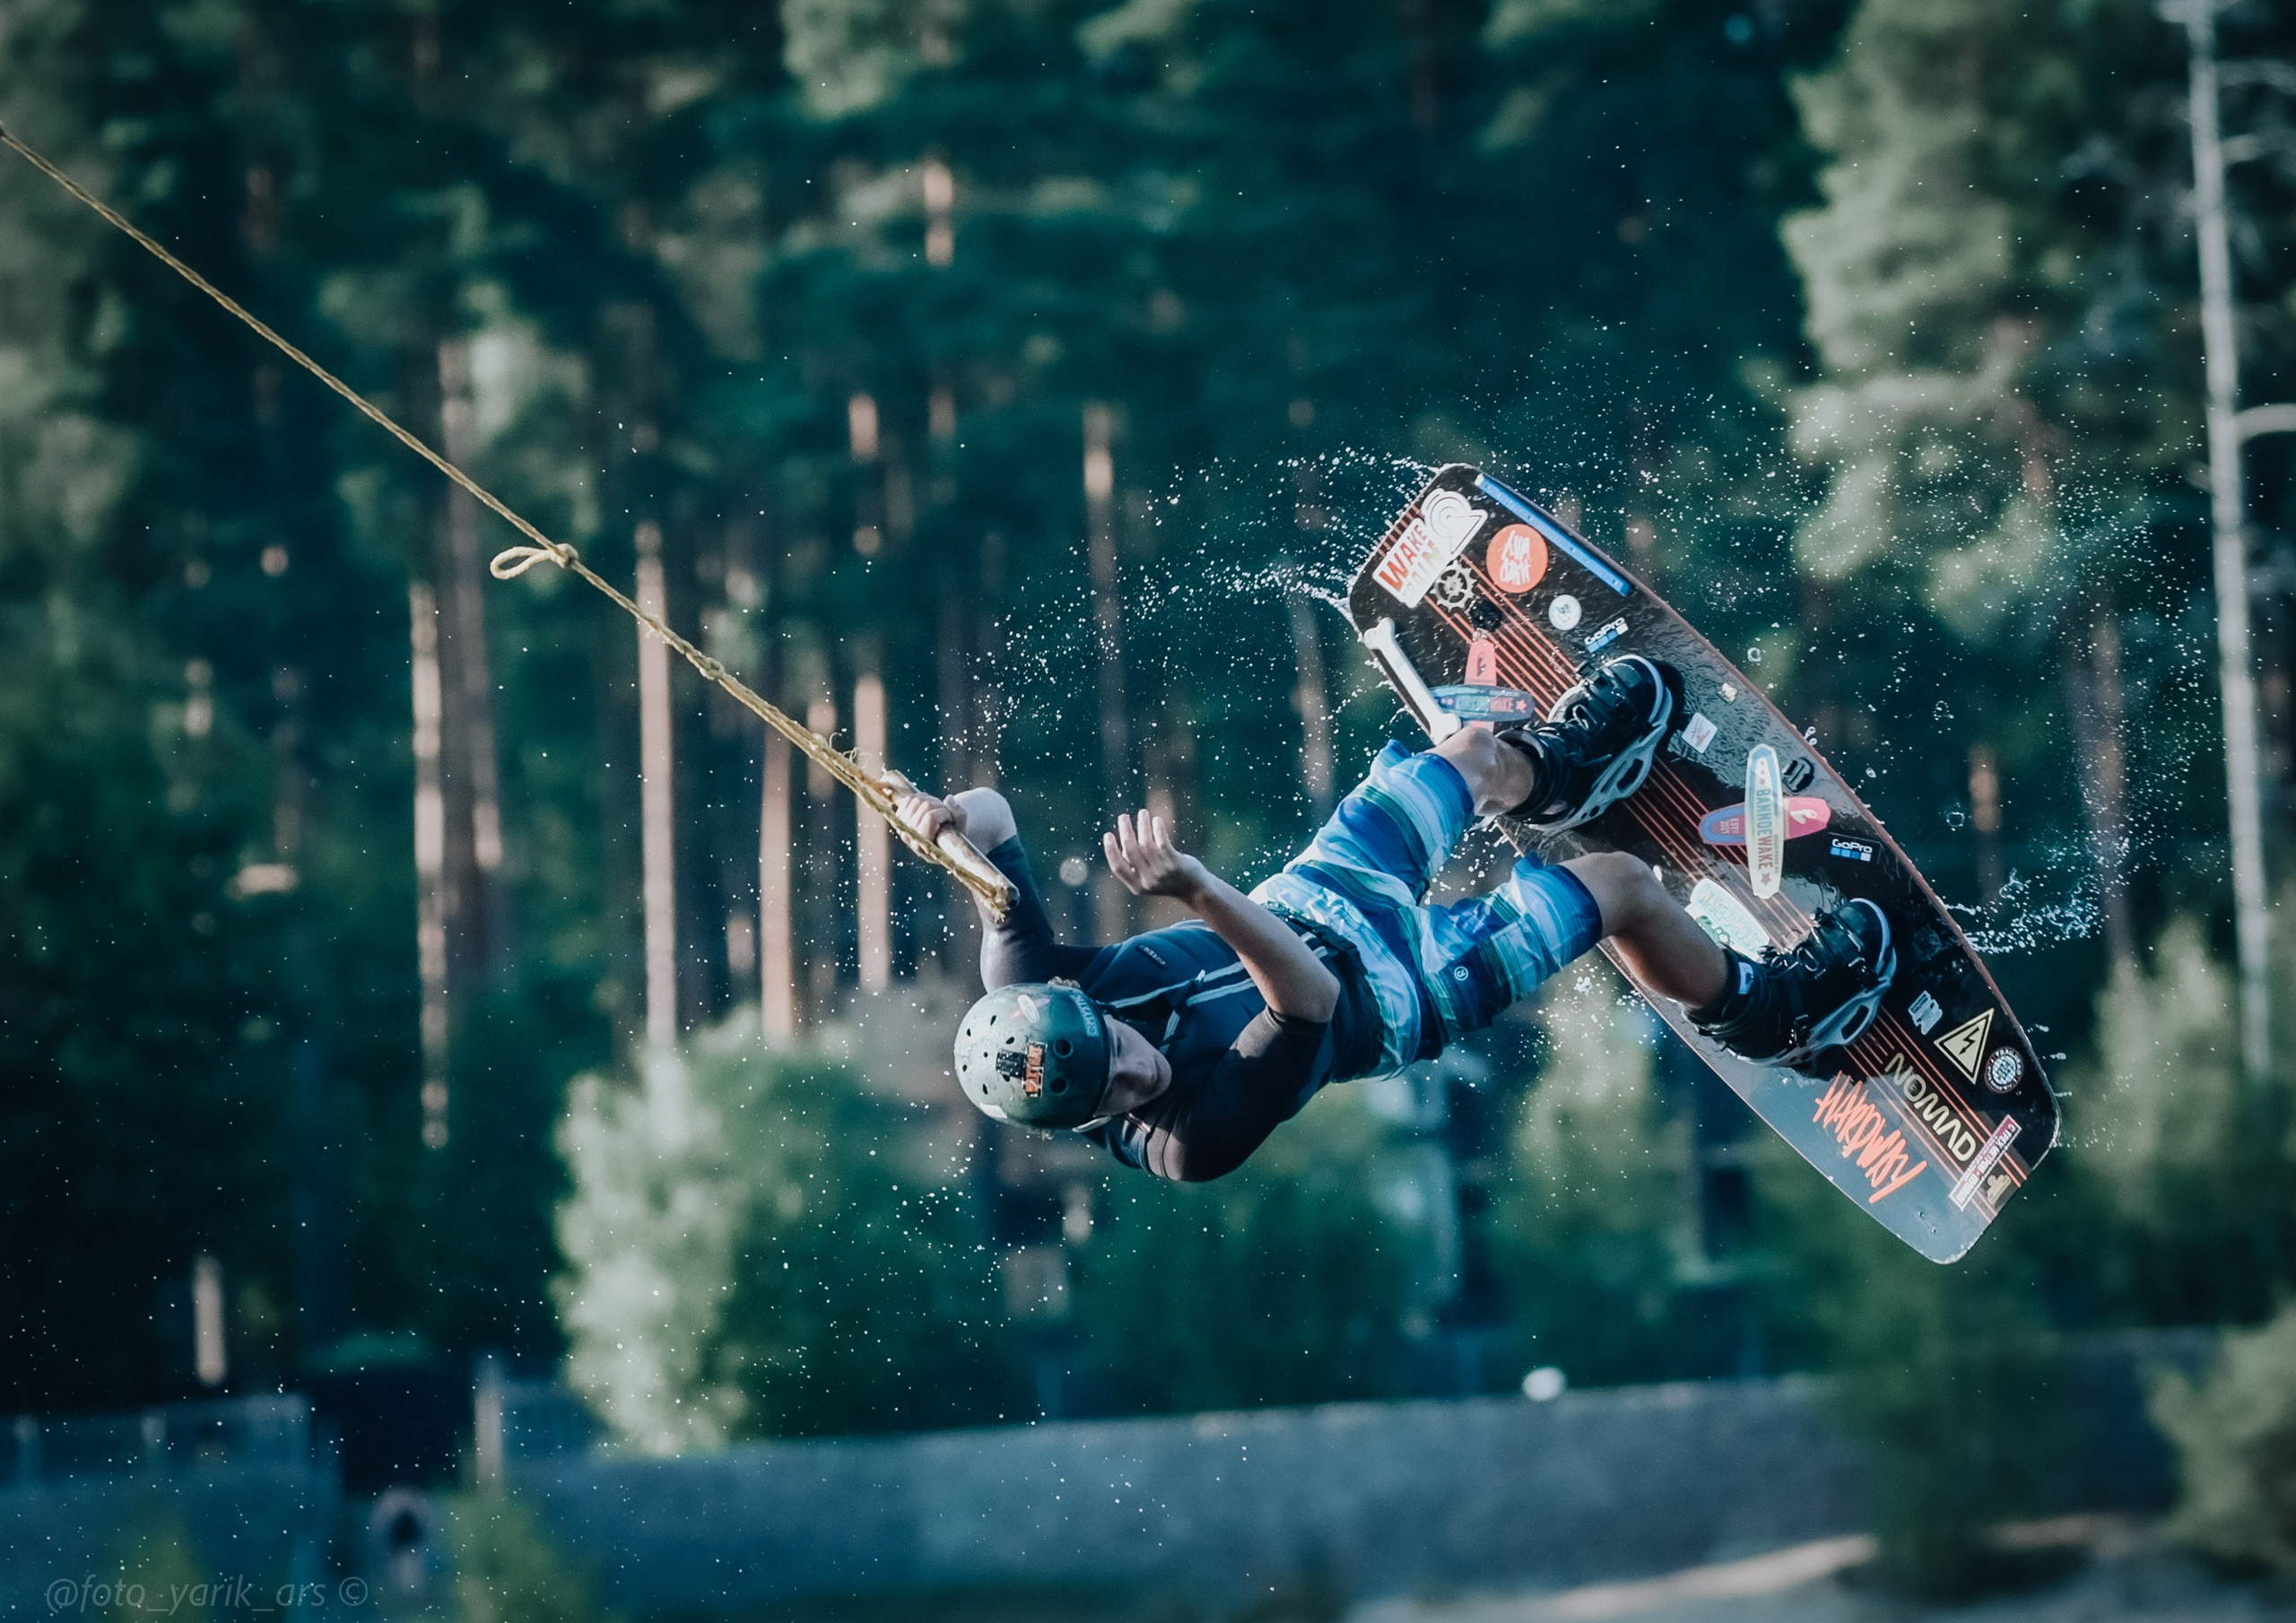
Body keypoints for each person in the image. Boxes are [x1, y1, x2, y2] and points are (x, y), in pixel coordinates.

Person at [895, 655, 1893, 1183]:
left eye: (1112, 1045)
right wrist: (1196, 888)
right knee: (1621, 884)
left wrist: (947, 823)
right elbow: (1306, 998)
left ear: (1069, 998)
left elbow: (995, 817)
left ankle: (1554, 773)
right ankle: (1773, 1010)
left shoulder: (1025, 986)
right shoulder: (1184, 1143)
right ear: (1077, 1120)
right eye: (1110, 1091)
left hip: (1319, 893)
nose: (1134, 1069)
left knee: (1463, 752)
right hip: (1399, 994)